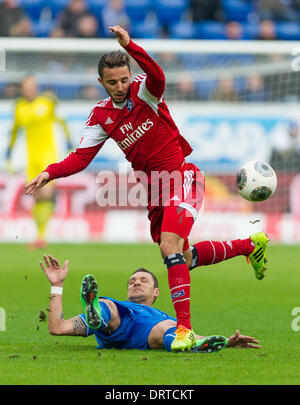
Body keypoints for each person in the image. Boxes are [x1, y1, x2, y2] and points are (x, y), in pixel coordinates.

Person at [25, 26, 269, 352]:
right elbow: (82, 157)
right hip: (154, 192)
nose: (120, 87)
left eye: (124, 79)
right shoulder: (100, 116)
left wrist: (131, 46)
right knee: (182, 256)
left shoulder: (145, 91)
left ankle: (184, 331)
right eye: (112, 82)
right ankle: (250, 246)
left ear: (130, 75)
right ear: (102, 83)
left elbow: (159, 77)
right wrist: (50, 173)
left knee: (170, 248)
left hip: (182, 177)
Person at [40, 253, 261, 352]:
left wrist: (226, 342)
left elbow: (196, 335)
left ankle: (189, 347)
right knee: (109, 305)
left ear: (156, 292)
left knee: (171, 329)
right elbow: (56, 328)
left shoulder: (167, 318)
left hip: (147, 331)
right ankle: (98, 318)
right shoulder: (121, 305)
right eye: (132, 282)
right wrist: (56, 285)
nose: (136, 283)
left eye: (143, 280)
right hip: (117, 321)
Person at [6, 75, 72, 249]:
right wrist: (8, 154)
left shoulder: (48, 103)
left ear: (36, 87)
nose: (30, 89)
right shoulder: (19, 107)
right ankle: (39, 236)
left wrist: (69, 144)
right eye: (27, 87)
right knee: (36, 197)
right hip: (30, 158)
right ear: (22, 88)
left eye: (32, 86)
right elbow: (14, 132)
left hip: (48, 156)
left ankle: (42, 236)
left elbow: (63, 122)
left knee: (47, 193)